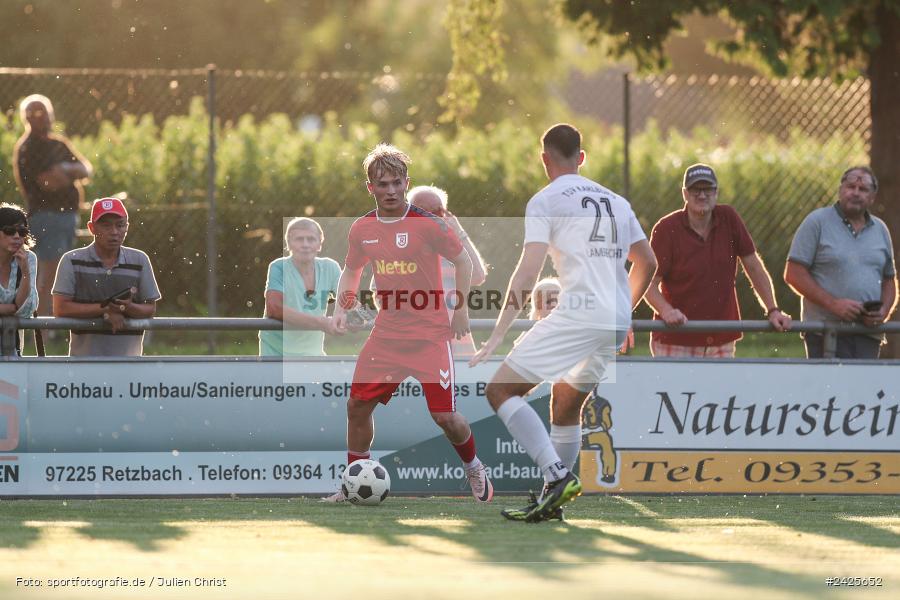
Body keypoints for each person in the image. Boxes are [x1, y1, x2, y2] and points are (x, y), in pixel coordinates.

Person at [470, 123, 657, 522]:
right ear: (582, 158)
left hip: (579, 313)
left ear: (544, 159)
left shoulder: (546, 200)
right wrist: (623, 314)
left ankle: (555, 477)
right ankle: (554, 499)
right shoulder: (617, 202)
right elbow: (648, 262)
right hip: (613, 320)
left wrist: (497, 335)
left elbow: (528, 272)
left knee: (500, 390)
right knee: (566, 405)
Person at [325, 143, 493, 503]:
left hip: (430, 338)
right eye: (381, 184)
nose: (390, 191)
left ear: (406, 183)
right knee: (356, 406)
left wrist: (460, 309)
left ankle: (475, 467)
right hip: (386, 337)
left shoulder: (428, 225)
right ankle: (352, 482)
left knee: (445, 417)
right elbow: (352, 270)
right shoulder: (362, 229)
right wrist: (342, 307)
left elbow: (465, 263)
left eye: (396, 183)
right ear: (369, 187)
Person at [644, 163, 792, 358]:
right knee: (677, 389)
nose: (702, 195)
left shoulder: (729, 219)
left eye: (708, 189)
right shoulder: (666, 228)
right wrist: (667, 311)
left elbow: (754, 266)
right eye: (696, 189)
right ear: (685, 194)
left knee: (721, 389)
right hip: (677, 337)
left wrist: (773, 310)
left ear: (716, 192)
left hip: (721, 338)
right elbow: (648, 283)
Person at [785, 166, 897, 358]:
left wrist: (883, 312)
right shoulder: (817, 222)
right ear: (840, 190)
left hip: (867, 334)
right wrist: (834, 304)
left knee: (862, 388)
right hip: (825, 332)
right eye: (850, 186)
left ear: (872, 197)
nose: (855, 193)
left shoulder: (880, 229)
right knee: (829, 388)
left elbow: (889, 281)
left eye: (863, 190)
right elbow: (793, 273)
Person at [13, 94, 93, 318]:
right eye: (36, 114)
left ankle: (47, 325)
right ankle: (44, 329)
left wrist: (65, 170)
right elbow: (48, 182)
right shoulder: (29, 148)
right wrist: (70, 173)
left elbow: (86, 169)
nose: (43, 119)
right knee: (49, 275)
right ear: (27, 118)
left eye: (45, 114)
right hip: (48, 217)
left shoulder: (57, 144)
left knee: (54, 272)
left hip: (65, 217)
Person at [52, 198, 160, 356]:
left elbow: (150, 309)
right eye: (106, 225)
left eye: (120, 225)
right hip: (83, 365)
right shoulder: (72, 260)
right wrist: (105, 310)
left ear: (127, 227)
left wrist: (127, 308)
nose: (114, 232)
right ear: (92, 228)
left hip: (129, 363)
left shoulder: (139, 260)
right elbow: (60, 308)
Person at [408, 185, 488, 356]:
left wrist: (459, 232)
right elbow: (379, 294)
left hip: (456, 343)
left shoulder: (452, 249)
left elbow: (478, 276)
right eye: (421, 211)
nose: (428, 216)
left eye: (435, 211)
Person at [260, 217, 343, 356]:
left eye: (311, 239)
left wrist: (357, 315)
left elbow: (349, 301)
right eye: (299, 239)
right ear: (289, 244)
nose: (305, 244)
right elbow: (274, 308)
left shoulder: (331, 267)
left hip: (313, 353)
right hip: (276, 354)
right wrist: (321, 322)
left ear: (319, 244)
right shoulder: (278, 266)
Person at [0, 204, 39, 356]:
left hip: (11, 348)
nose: (17, 236)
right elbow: (16, 307)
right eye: (10, 231)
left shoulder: (28, 259)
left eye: (22, 231)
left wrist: (25, 273)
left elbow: (28, 308)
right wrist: (10, 308)